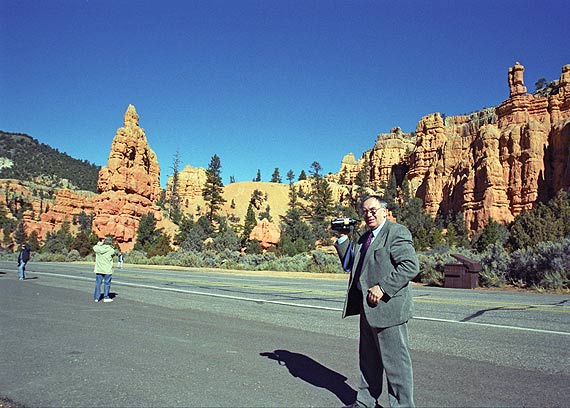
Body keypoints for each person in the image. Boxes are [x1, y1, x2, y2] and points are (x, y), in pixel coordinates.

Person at [334, 195, 419, 408]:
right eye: (365, 211)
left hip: (389, 309)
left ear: (384, 211)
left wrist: (383, 287)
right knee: (368, 361)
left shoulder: (396, 232)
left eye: (373, 210)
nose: (368, 215)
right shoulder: (365, 238)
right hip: (368, 308)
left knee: (396, 365)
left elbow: (410, 266)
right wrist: (343, 237)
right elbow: (351, 264)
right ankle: (365, 402)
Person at [93, 236, 117, 303]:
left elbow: (94, 247)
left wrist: (99, 244)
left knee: (98, 284)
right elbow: (115, 253)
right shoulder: (111, 250)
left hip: (99, 269)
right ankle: (106, 297)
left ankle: (96, 298)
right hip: (107, 270)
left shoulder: (98, 248)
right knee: (107, 284)